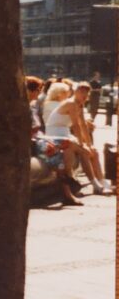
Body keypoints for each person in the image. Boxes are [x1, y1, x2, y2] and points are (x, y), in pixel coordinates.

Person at [46, 81, 113, 195]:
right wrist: (82, 144)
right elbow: (76, 125)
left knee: (94, 151)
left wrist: (89, 144)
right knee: (84, 151)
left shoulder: (80, 104)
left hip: (65, 133)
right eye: (81, 92)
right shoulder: (71, 103)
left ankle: (101, 181)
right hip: (55, 134)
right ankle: (95, 184)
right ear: (75, 92)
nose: (84, 95)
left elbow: (83, 125)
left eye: (86, 93)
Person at [27, 77, 82, 207]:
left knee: (63, 145)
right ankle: (67, 189)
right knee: (54, 152)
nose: (39, 93)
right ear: (30, 90)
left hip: (38, 137)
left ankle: (69, 180)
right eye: (37, 90)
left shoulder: (31, 105)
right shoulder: (27, 106)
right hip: (32, 140)